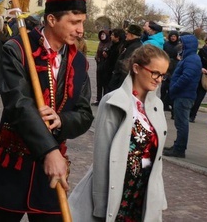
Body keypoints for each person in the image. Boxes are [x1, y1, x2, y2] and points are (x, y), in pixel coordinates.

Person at [0, 0, 94, 221]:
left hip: (51, 173)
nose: (81, 30)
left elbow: (84, 114)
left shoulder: (79, 62)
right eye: (74, 22)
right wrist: (49, 151)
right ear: (51, 19)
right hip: (12, 166)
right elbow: (18, 104)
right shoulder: (17, 49)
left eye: (82, 22)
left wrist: (62, 120)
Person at [69, 44, 169, 221]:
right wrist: (100, 205)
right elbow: (101, 155)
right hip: (117, 188)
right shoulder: (114, 101)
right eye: (155, 73)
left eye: (162, 75)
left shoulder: (157, 106)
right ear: (136, 68)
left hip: (143, 192)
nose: (159, 79)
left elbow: (157, 158)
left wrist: (158, 197)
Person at [163, 34, 202, 158]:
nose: (180, 46)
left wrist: (174, 88)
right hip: (182, 94)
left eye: (182, 43)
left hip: (184, 95)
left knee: (181, 123)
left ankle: (179, 149)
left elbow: (187, 77)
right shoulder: (188, 57)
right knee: (180, 123)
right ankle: (178, 145)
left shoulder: (192, 59)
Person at [108, 24, 143, 93]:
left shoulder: (134, 47)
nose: (125, 35)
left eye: (127, 33)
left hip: (122, 81)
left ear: (132, 35)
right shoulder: (131, 45)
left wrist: (118, 83)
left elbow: (126, 67)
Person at [161, 31, 182, 113]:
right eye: (172, 36)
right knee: (163, 87)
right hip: (166, 66)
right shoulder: (166, 44)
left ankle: (169, 103)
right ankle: (163, 103)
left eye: (174, 36)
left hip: (175, 67)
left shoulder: (179, 45)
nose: (173, 38)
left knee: (171, 86)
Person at [93, 29, 111, 104]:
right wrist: (97, 57)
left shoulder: (110, 43)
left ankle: (104, 100)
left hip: (106, 66)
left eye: (104, 35)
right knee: (99, 83)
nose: (102, 36)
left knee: (105, 84)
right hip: (99, 65)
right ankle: (98, 99)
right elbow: (98, 52)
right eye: (101, 35)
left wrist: (106, 56)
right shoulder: (100, 43)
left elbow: (110, 55)